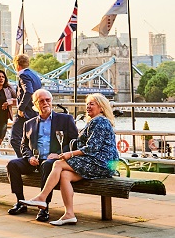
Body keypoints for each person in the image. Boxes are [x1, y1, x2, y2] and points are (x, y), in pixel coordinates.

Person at [21, 93, 119, 225]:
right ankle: (69, 214)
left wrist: (70, 154)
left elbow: (92, 148)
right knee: (65, 175)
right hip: (97, 162)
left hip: (104, 163)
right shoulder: (94, 121)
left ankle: (42, 197)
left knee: (58, 164)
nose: (88, 106)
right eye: (87, 104)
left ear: (101, 108)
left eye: (92, 104)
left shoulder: (100, 121)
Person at [6, 89, 78, 222]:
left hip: (53, 160)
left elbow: (74, 142)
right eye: (41, 101)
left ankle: (43, 208)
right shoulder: (29, 123)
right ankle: (20, 202)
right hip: (34, 160)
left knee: (47, 165)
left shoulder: (65, 119)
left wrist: (59, 154)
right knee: (12, 164)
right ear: (35, 104)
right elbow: (24, 146)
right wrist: (29, 157)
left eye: (48, 100)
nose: (45, 103)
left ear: (52, 101)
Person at [10, 54, 42, 158]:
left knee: (15, 139)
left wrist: (20, 108)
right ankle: (30, 159)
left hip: (25, 113)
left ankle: (24, 160)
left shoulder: (22, 75)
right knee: (30, 139)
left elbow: (29, 91)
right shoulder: (35, 75)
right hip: (34, 112)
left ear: (16, 64)